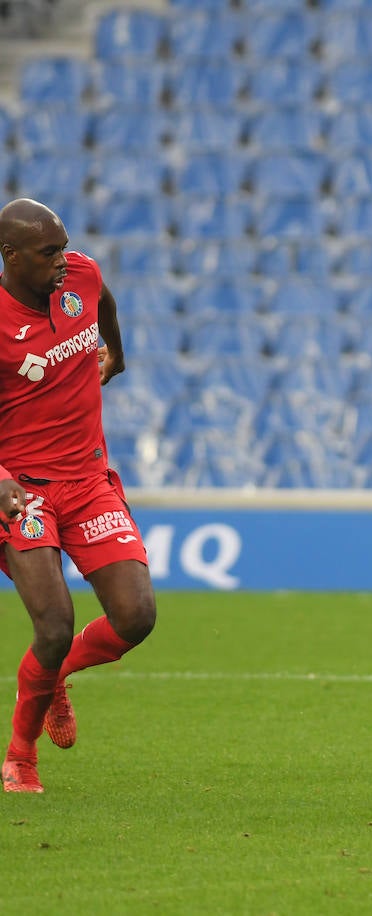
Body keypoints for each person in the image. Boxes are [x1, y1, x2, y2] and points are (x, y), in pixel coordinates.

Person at [0, 198, 156, 793]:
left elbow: (105, 302)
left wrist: (115, 353)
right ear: (11, 256)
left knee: (137, 616)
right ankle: (20, 756)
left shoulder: (82, 278)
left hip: (88, 481)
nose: (63, 261)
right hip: (25, 491)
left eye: (64, 246)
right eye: (48, 252)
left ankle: (52, 676)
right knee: (55, 623)